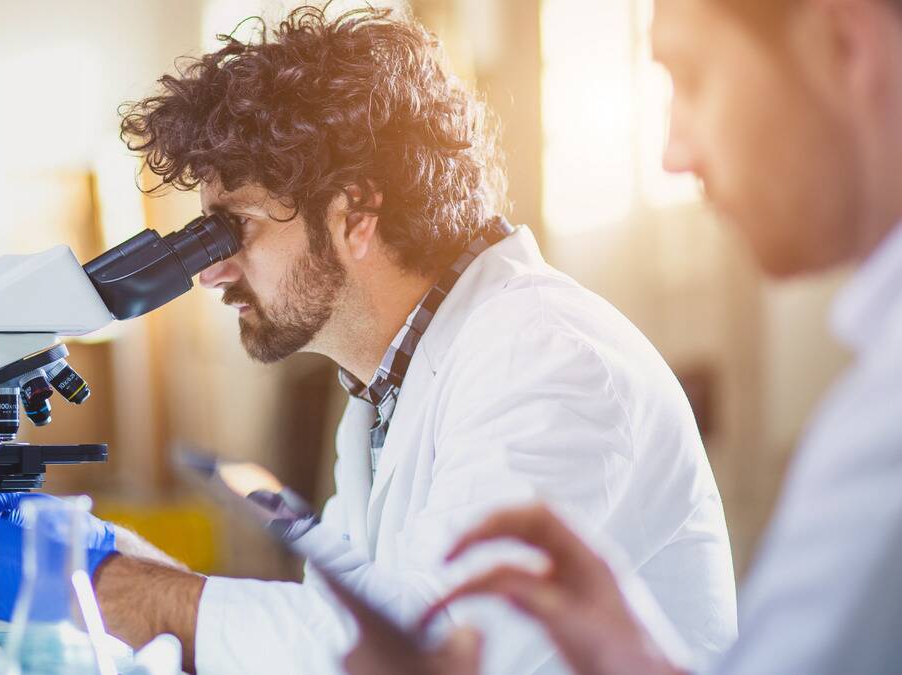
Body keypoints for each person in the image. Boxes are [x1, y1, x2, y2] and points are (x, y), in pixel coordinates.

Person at [0, 6, 738, 673]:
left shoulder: (548, 360)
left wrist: (136, 592)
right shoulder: (390, 382)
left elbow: (434, 653)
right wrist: (134, 563)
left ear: (356, 212)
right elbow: (341, 628)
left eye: (231, 233)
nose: (212, 273)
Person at [345, 0, 902, 673]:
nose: (673, 153)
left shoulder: (884, 424)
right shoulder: (874, 389)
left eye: (691, 78)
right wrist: (633, 659)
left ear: (847, 46)